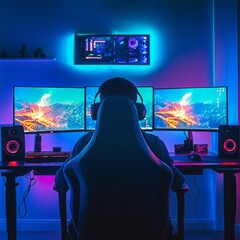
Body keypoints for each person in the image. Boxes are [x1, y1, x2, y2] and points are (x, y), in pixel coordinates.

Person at [54, 77, 186, 239]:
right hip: (147, 231)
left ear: (96, 111)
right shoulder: (155, 145)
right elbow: (178, 182)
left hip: (92, 231)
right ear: (138, 111)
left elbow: (61, 180)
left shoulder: (83, 144)